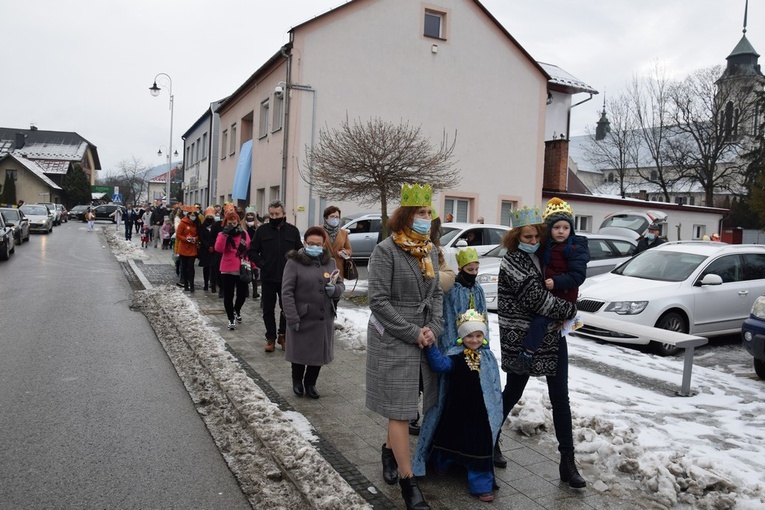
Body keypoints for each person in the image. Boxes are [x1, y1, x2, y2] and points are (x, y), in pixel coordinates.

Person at [494, 205, 584, 488]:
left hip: (553, 337)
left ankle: (567, 462)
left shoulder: (543, 257)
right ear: (516, 236)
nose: (533, 241)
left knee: (561, 399)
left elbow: (568, 274)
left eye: (536, 237)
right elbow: (538, 299)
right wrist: (571, 309)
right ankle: (487, 439)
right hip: (523, 340)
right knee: (513, 391)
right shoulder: (512, 261)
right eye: (528, 237)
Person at [366, 183, 443, 510]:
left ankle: (389, 451)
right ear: (405, 216)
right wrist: (413, 332)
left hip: (424, 335)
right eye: (420, 213)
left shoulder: (429, 250)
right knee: (401, 410)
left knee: (409, 405)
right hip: (394, 338)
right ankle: (409, 482)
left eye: (428, 213)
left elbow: (437, 294)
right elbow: (378, 302)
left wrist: (434, 328)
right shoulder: (386, 251)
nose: (425, 218)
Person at [416, 310, 503, 502]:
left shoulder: (488, 359)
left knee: (478, 444)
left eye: (478, 335)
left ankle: (481, 484)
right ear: (462, 336)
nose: (474, 340)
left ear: (484, 336)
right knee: (449, 436)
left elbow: (494, 386)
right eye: (469, 335)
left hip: (480, 413)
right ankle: (441, 463)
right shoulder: (456, 356)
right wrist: (430, 346)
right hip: (456, 409)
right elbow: (440, 366)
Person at [508, 197, 589, 376]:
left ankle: (527, 354)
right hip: (551, 295)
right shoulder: (547, 247)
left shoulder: (574, 248)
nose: (561, 232)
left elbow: (578, 276)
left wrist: (557, 282)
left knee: (540, 321)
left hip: (563, 295)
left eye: (566, 228)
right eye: (556, 227)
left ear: (571, 229)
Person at [282, 226, 345, 399]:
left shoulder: (329, 262)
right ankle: (297, 381)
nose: (315, 247)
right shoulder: (294, 262)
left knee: (317, 354)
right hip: (302, 317)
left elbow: (340, 284)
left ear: (324, 245)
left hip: (322, 318)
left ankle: (311, 383)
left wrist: (336, 290)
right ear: (304, 243)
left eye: (318, 244)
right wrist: (292, 316)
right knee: (300, 353)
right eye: (311, 243)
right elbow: (286, 292)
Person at [248, 200, 302, 352]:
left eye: (277, 214)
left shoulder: (292, 231)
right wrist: (262, 263)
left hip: (288, 277)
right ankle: (270, 337)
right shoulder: (262, 231)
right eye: (271, 214)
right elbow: (252, 251)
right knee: (268, 308)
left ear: (284, 214)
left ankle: (283, 335)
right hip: (268, 276)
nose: (274, 216)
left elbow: (300, 251)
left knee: (287, 308)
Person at [215, 211, 250, 330]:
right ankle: (230, 317)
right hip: (227, 268)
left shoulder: (244, 233)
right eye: (230, 223)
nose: (232, 225)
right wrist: (224, 235)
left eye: (234, 223)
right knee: (228, 296)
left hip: (242, 268)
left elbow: (249, 249)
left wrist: (254, 266)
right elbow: (219, 249)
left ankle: (237, 310)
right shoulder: (222, 234)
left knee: (242, 295)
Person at [321, 205, 352, 309]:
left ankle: (331, 318)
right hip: (322, 268)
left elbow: (349, 250)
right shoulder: (318, 230)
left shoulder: (343, 233)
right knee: (322, 296)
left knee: (335, 298)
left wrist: (345, 252)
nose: (335, 219)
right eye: (332, 216)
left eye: (337, 217)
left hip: (338, 271)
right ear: (326, 218)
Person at [176, 209, 199, 292]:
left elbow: (198, 234)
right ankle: (185, 284)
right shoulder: (182, 223)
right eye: (191, 215)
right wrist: (186, 239)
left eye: (194, 215)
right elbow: (178, 234)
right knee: (184, 267)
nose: (193, 217)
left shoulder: (196, 224)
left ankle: (192, 284)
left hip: (192, 248)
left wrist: (195, 239)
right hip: (183, 248)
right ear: (188, 215)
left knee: (191, 267)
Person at [198, 207, 218, 291]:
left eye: (211, 217)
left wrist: (213, 246)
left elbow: (218, 237)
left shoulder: (216, 226)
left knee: (213, 268)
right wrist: (207, 246)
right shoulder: (202, 226)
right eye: (208, 217)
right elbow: (201, 238)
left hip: (214, 249)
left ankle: (213, 284)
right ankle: (206, 284)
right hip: (205, 249)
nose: (209, 218)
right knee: (206, 267)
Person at [244, 207, 261, 299]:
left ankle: (255, 291)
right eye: (248, 215)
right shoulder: (243, 226)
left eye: (251, 215)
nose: (250, 217)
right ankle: (246, 291)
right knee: (246, 270)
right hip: (245, 252)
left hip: (254, 251)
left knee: (255, 272)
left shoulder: (258, 227)